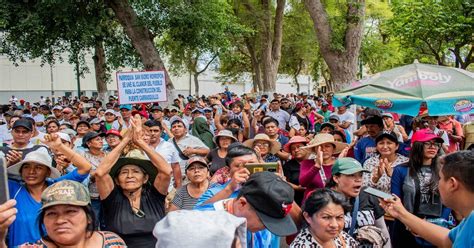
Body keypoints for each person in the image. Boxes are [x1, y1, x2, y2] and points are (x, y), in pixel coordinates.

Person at [94, 116, 172, 247]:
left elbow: (166, 171)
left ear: (145, 178)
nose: (130, 176)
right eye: (124, 172)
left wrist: (140, 142)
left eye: (136, 172)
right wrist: (125, 141)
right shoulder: (112, 199)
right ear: (117, 181)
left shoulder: (154, 196)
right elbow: (100, 173)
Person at [4, 134, 92, 247]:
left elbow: (85, 167)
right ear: (20, 172)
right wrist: (7, 164)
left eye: (38, 167)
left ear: (48, 172)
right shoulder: (12, 189)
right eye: (26, 167)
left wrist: (60, 146)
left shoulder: (58, 187)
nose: (31, 171)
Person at [381, 150, 474, 248]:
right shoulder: (469, 220)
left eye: (440, 178)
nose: (438, 184)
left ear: (452, 184)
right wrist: (401, 213)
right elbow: (447, 240)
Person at [0, 180, 126, 248]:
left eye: (70, 211)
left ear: (88, 217)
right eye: (51, 214)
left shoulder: (112, 242)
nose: (60, 220)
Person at [198, 172, 298, 247]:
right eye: (265, 221)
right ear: (242, 203)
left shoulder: (260, 226)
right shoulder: (203, 227)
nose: (268, 228)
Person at [390, 128, 451, 247]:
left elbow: (449, 201)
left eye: (436, 144)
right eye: (427, 143)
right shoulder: (400, 170)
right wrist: (411, 222)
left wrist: (438, 223)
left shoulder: (444, 171)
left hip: (436, 229)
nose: (433, 147)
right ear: (416, 146)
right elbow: (396, 200)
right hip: (406, 229)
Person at [326, 158, 391, 247]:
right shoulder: (323, 201)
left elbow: (382, 229)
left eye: (360, 175)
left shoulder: (368, 195)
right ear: (336, 178)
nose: (358, 179)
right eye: (352, 175)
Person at [290, 188, 358, 247]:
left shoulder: (341, 236)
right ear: (308, 217)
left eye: (339, 217)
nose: (334, 225)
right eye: (326, 217)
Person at [299, 133, 348, 201]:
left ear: (333, 149)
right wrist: (317, 166)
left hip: (335, 204)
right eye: (320, 147)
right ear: (315, 150)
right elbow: (303, 183)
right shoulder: (307, 163)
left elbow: (345, 184)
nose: (324, 150)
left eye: (327, 146)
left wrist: (338, 165)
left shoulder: (340, 162)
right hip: (313, 204)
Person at [282, 136, 309, 206]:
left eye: (299, 147)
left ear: (306, 147)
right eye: (293, 149)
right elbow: (285, 181)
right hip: (296, 200)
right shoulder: (288, 165)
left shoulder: (314, 162)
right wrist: (297, 188)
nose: (296, 150)